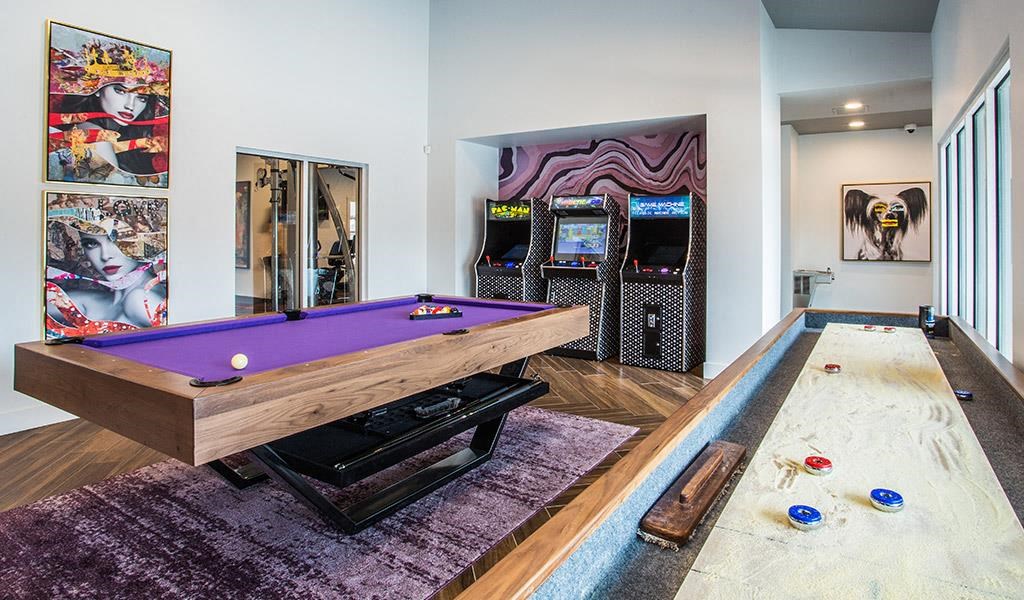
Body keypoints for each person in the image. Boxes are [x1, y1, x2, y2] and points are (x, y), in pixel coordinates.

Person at [48, 33, 170, 184]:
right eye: (120, 91)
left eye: (141, 98)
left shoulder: (124, 139)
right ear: (98, 89)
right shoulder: (95, 136)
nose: (130, 105)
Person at [45, 205, 167, 339]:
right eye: (91, 244)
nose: (105, 255)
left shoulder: (140, 299)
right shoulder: (89, 301)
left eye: (116, 240)